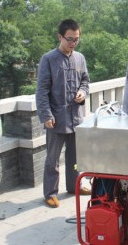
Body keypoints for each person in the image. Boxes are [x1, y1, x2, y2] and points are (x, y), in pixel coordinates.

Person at [36, 19, 91, 208]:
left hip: (76, 117)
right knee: (53, 159)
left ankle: (74, 186)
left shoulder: (80, 58)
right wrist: (46, 116)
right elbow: (42, 91)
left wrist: (83, 92)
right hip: (56, 118)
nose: (73, 43)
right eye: (69, 39)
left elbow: (85, 81)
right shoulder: (48, 59)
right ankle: (50, 193)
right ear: (60, 37)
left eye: (76, 39)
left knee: (75, 158)